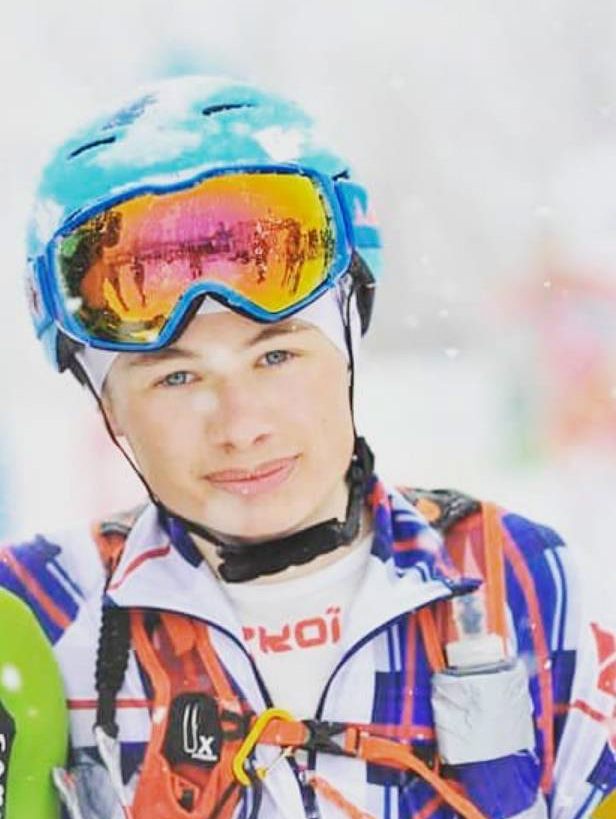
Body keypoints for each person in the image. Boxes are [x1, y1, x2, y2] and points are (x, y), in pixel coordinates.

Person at [1, 74, 614, 819]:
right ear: (110, 408)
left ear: (348, 345)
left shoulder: (521, 582)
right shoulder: (34, 620)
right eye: (177, 378)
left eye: (276, 356)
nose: (240, 424)